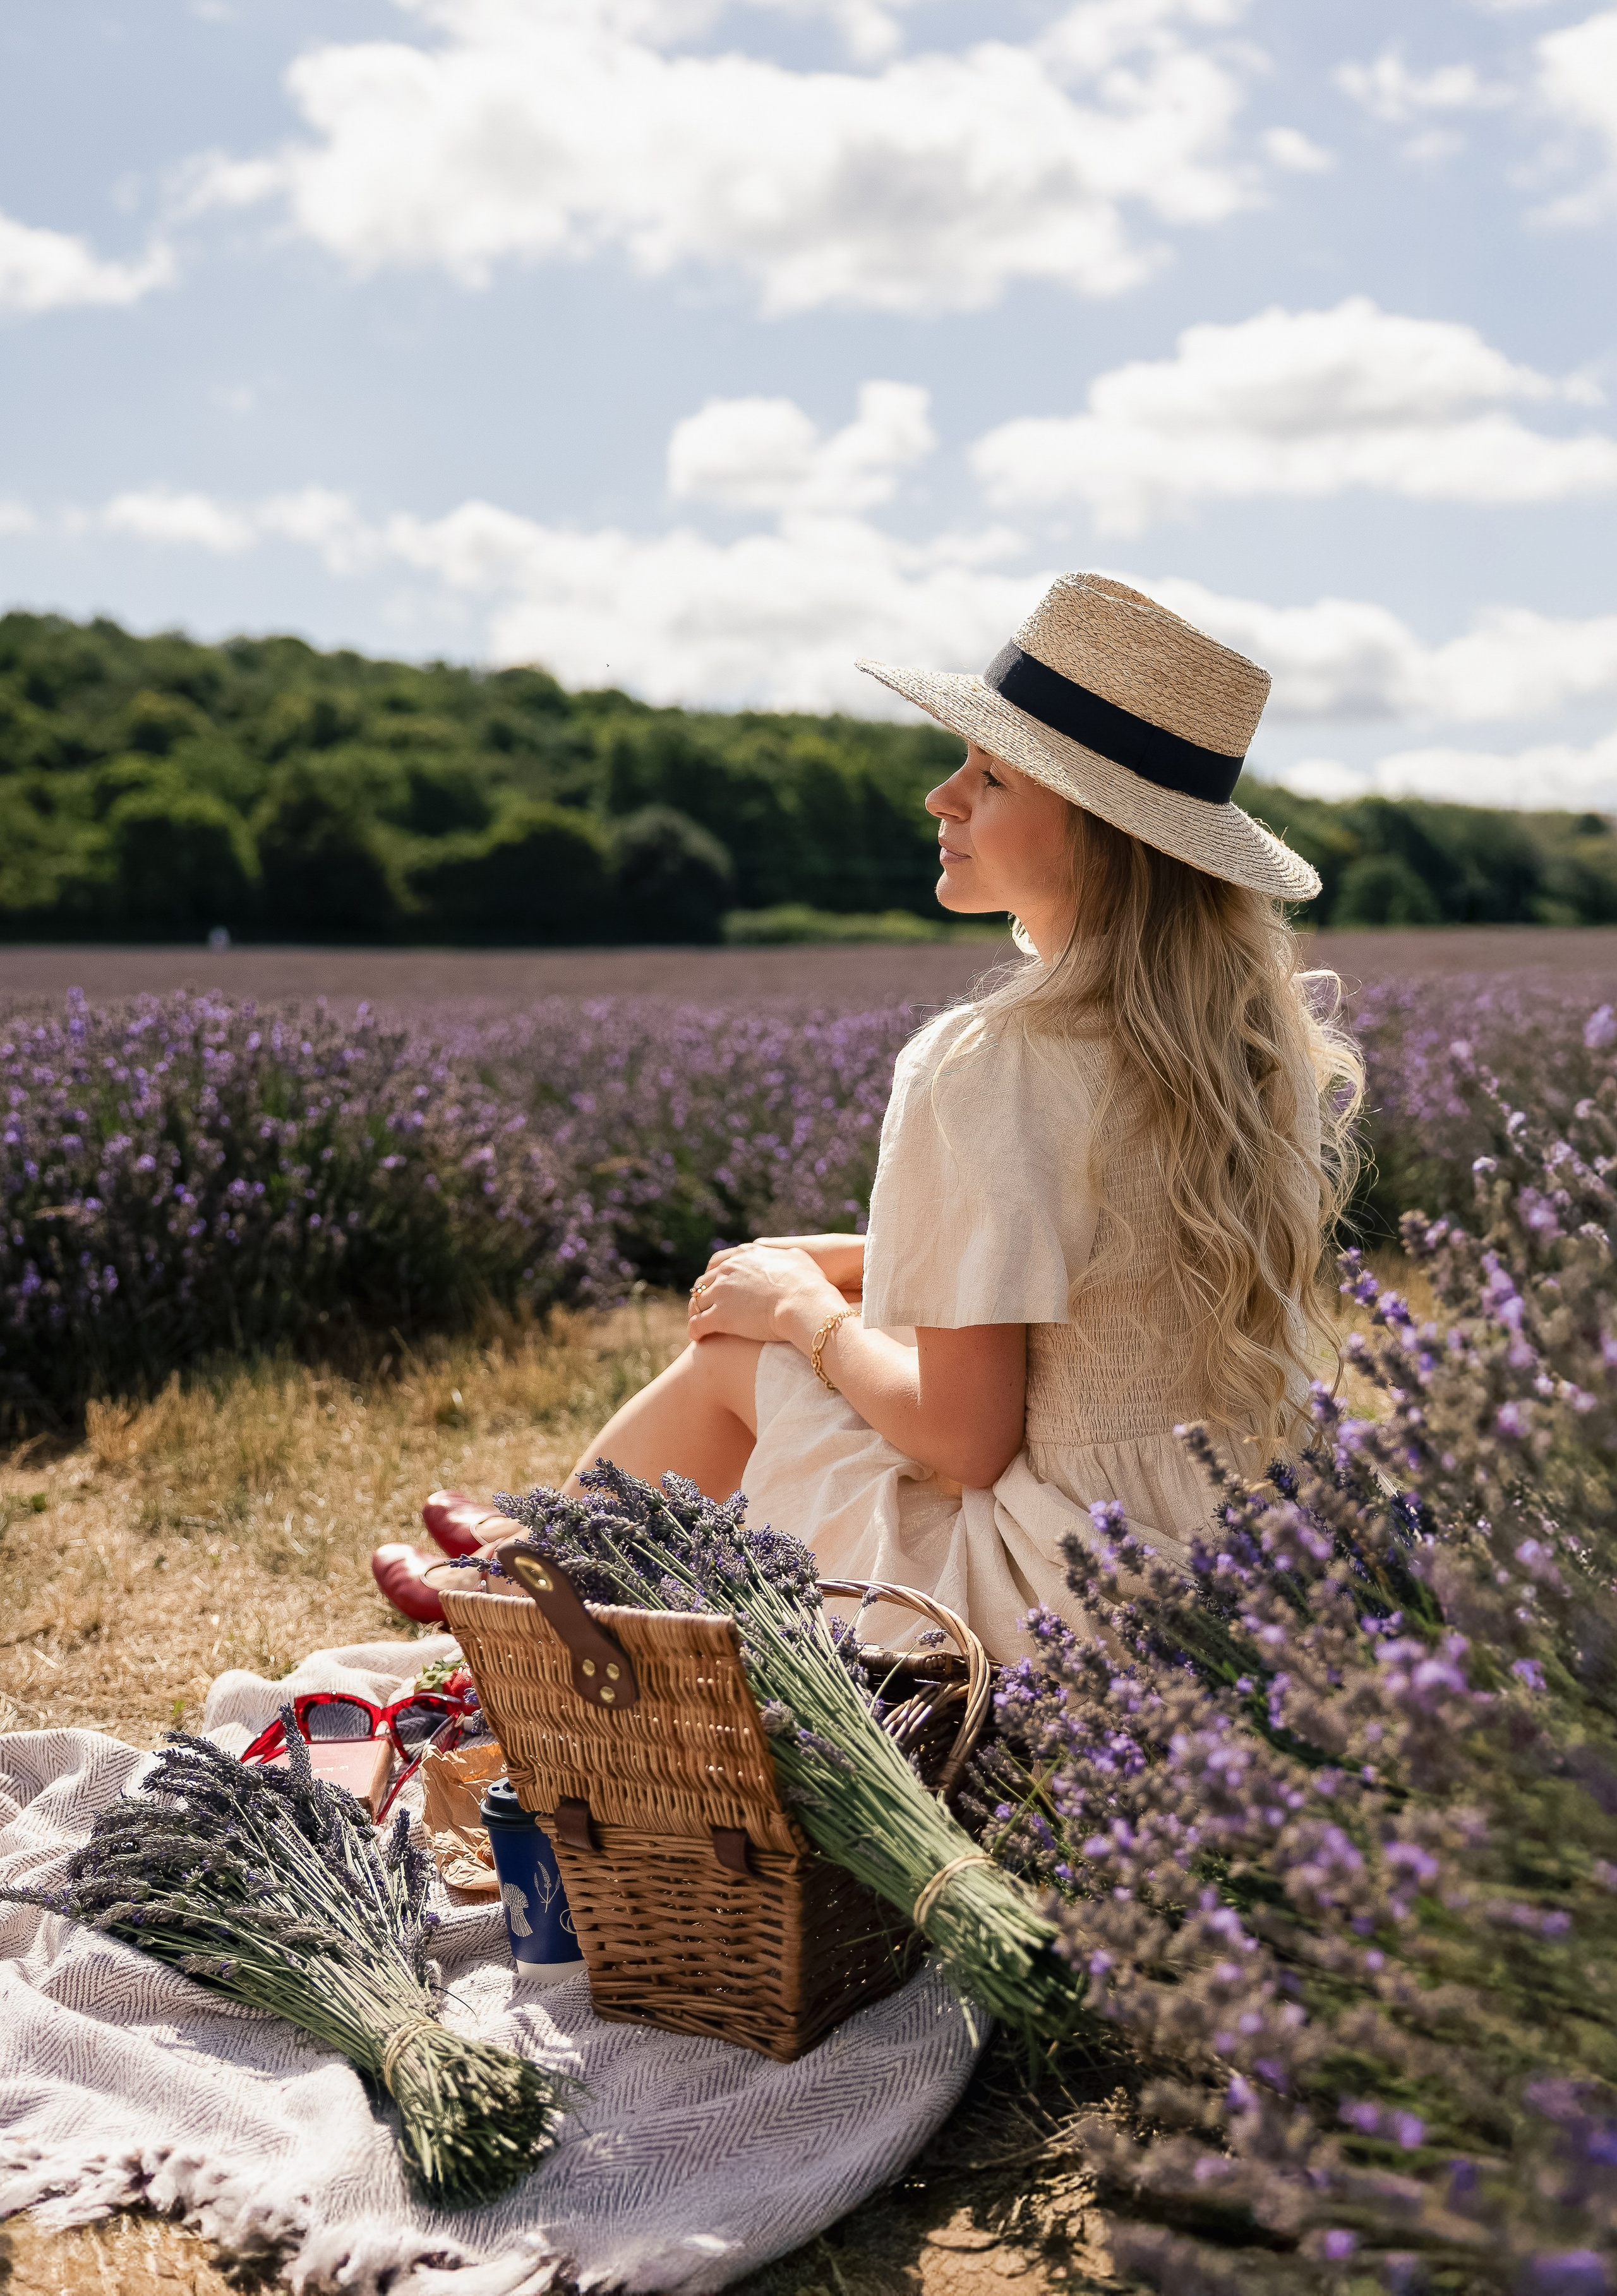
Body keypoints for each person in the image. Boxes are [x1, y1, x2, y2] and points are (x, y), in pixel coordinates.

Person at [385, 573, 1361, 1661]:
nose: (942, 797)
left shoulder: (987, 1063)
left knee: (739, 1355)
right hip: (1233, 1562)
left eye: (990, 777)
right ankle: (527, 1545)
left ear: (1099, 834)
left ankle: (518, 1601)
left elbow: (963, 1443)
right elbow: (1100, 1273)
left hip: (1052, 1604)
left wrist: (804, 1309)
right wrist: (859, 1261)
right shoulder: (1241, 1042)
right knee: (844, 1323)